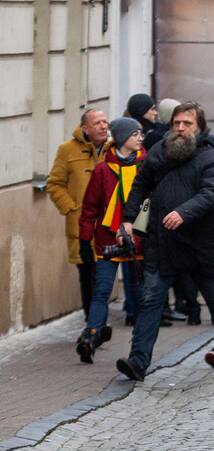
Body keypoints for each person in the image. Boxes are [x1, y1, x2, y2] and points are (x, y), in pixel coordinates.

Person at [115, 102, 214, 381]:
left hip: (201, 241)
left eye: (188, 124)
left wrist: (182, 212)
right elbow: (140, 185)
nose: (181, 128)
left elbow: (210, 194)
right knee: (151, 300)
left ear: (199, 127)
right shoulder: (159, 152)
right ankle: (138, 361)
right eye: (177, 124)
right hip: (162, 242)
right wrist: (127, 220)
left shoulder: (210, 156)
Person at [75, 117, 145, 363]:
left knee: (142, 295)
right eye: (135, 134)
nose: (140, 138)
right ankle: (91, 336)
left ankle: (140, 350)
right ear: (123, 137)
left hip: (139, 240)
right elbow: (89, 209)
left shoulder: (146, 165)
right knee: (102, 290)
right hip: (107, 240)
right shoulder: (103, 170)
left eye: (140, 134)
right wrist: (84, 241)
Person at [46, 108, 111, 320]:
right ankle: (92, 324)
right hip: (81, 227)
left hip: (109, 226)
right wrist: (71, 208)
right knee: (88, 276)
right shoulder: (67, 150)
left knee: (104, 276)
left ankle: (98, 322)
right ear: (85, 128)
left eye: (105, 121)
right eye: (97, 123)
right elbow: (55, 184)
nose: (103, 126)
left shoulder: (113, 149)